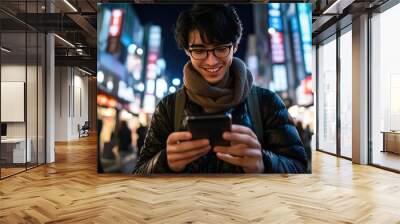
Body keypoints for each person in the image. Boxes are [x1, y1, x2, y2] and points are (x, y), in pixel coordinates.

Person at [134, 5, 308, 174]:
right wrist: (165, 162)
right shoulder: (168, 107)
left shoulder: (267, 102)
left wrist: (264, 163)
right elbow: (139, 172)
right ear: (188, 51)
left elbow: (299, 166)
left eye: (221, 48)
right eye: (199, 50)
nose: (211, 61)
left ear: (235, 46)